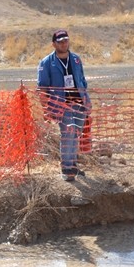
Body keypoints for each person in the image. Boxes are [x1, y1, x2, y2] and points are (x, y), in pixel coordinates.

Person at [37, 29, 90, 181]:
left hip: (79, 103)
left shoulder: (76, 59)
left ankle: (73, 165)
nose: (64, 43)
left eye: (66, 40)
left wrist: (87, 101)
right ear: (54, 44)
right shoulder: (46, 62)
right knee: (67, 134)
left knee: (76, 134)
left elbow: (82, 81)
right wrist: (46, 108)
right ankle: (66, 169)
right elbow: (42, 88)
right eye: (60, 41)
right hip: (61, 105)